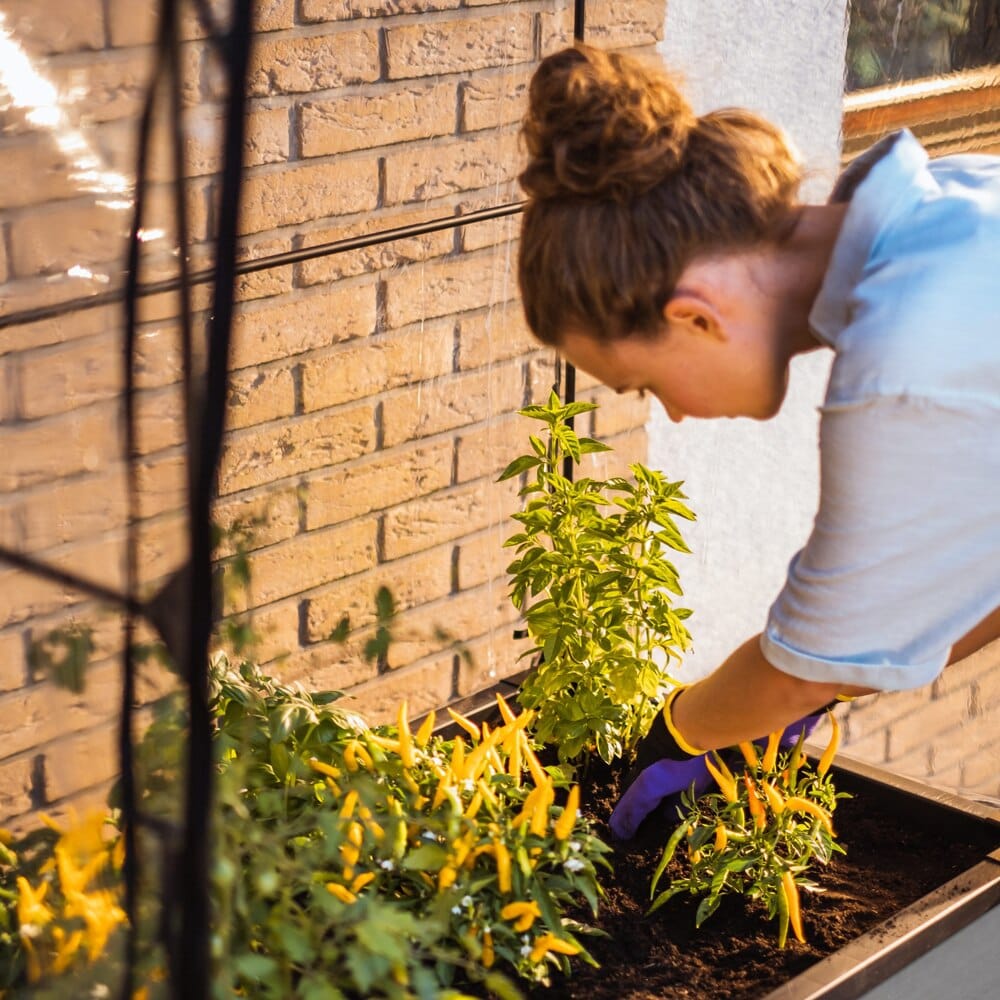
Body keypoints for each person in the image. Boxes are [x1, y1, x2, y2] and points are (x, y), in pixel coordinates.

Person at [515, 43, 1000, 839]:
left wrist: (681, 731)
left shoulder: (905, 358)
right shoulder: (954, 207)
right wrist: (828, 679)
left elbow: (811, 662)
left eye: (644, 384)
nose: (667, 413)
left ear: (695, 316)